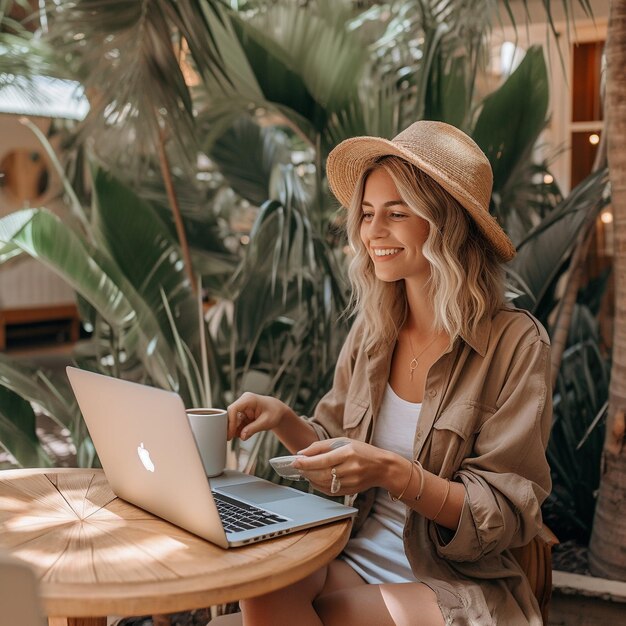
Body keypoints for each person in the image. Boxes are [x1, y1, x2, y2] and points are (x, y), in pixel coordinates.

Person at [221, 121, 552, 625]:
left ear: (447, 225)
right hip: (352, 553)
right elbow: (337, 456)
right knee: (262, 586)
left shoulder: (514, 343)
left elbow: (503, 515)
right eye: (368, 214)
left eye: (396, 214)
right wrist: (284, 419)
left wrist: (394, 473)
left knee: (327, 615)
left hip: (448, 582)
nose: (372, 232)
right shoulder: (373, 332)